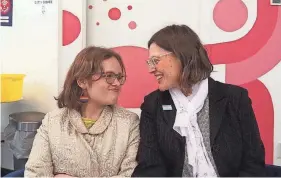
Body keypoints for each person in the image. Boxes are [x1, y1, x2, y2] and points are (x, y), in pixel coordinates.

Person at [132, 24, 265, 177]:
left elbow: (253, 163)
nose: (151, 69)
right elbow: (150, 168)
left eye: (155, 60)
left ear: (181, 55)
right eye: (150, 62)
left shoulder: (235, 98)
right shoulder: (152, 105)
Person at [25, 46, 140, 177]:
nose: (117, 83)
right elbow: (35, 173)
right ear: (82, 81)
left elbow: (130, 175)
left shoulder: (129, 123)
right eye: (109, 76)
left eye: (119, 77)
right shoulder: (53, 122)